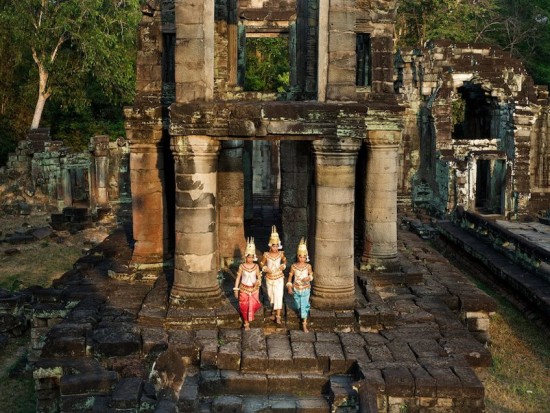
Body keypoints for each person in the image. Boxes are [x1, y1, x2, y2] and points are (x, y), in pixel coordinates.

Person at [260, 225, 287, 325]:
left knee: (278, 296)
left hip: (279, 278)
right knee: (271, 297)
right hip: (269, 278)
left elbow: (285, 261)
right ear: (270, 245)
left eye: (276, 245)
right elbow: (262, 263)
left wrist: (283, 266)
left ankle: (278, 316)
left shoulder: (281, 253)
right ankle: (273, 312)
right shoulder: (266, 254)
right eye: (273, 245)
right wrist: (264, 268)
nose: (275, 247)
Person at [234, 237, 262, 330]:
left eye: (251, 257)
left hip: (254, 289)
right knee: (244, 306)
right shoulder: (242, 266)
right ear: (245, 256)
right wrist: (236, 289)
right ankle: (246, 323)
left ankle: (249, 318)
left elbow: (259, 276)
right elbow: (238, 277)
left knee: (254, 305)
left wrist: (258, 282)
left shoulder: (256, 266)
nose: (250, 259)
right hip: (244, 289)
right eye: (248, 257)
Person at [286, 238, 313, 332]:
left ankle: (304, 324)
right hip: (296, 288)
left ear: (306, 257)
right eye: (300, 256)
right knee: (298, 305)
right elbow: (290, 277)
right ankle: (300, 311)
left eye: (304, 257)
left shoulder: (308, 266)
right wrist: (289, 287)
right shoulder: (293, 266)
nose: (302, 258)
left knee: (304, 305)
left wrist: (308, 278)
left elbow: (311, 275)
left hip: (306, 288)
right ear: (297, 256)